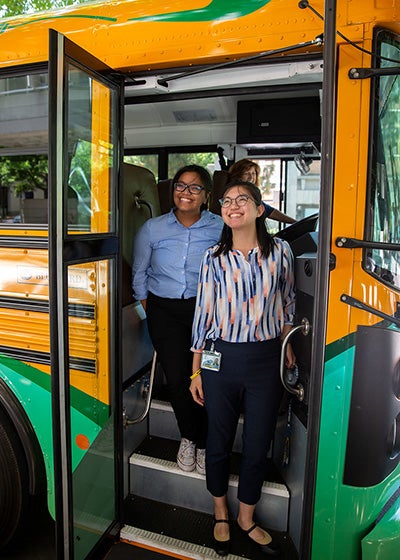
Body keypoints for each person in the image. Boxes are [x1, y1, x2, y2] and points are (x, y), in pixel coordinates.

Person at [189, 179, 295, 556]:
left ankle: (246, 518)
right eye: (227, 201)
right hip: (221, 359)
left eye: (243, 200)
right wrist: (196, 370)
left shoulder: (281, 251)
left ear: (260, 209)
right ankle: (220, 512)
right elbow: (202, 314)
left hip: (266, 359)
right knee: (217, 440)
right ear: (221, 210)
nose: (233, 206)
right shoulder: (213, 257)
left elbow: (287, 302)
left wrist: (286, 348)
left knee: (257, 443)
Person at [132, 164, 223, 475]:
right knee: (179, 375)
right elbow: (140, 274)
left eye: (195, 187)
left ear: (207, 196)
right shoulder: (153, 228)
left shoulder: (221, 227)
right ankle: (190, 437)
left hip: (208, 312)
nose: (186, 192)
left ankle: (208, 441)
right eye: (180, 186)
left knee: (209, 374)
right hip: (165, 312)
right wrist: (152, 308)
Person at [229, 158, 296, 224]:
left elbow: (270, 211)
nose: (251, 177)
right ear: (237, 175)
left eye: (253, 173)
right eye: (246, 173)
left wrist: (295, 223)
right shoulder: (234, 194)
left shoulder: (252, 195)